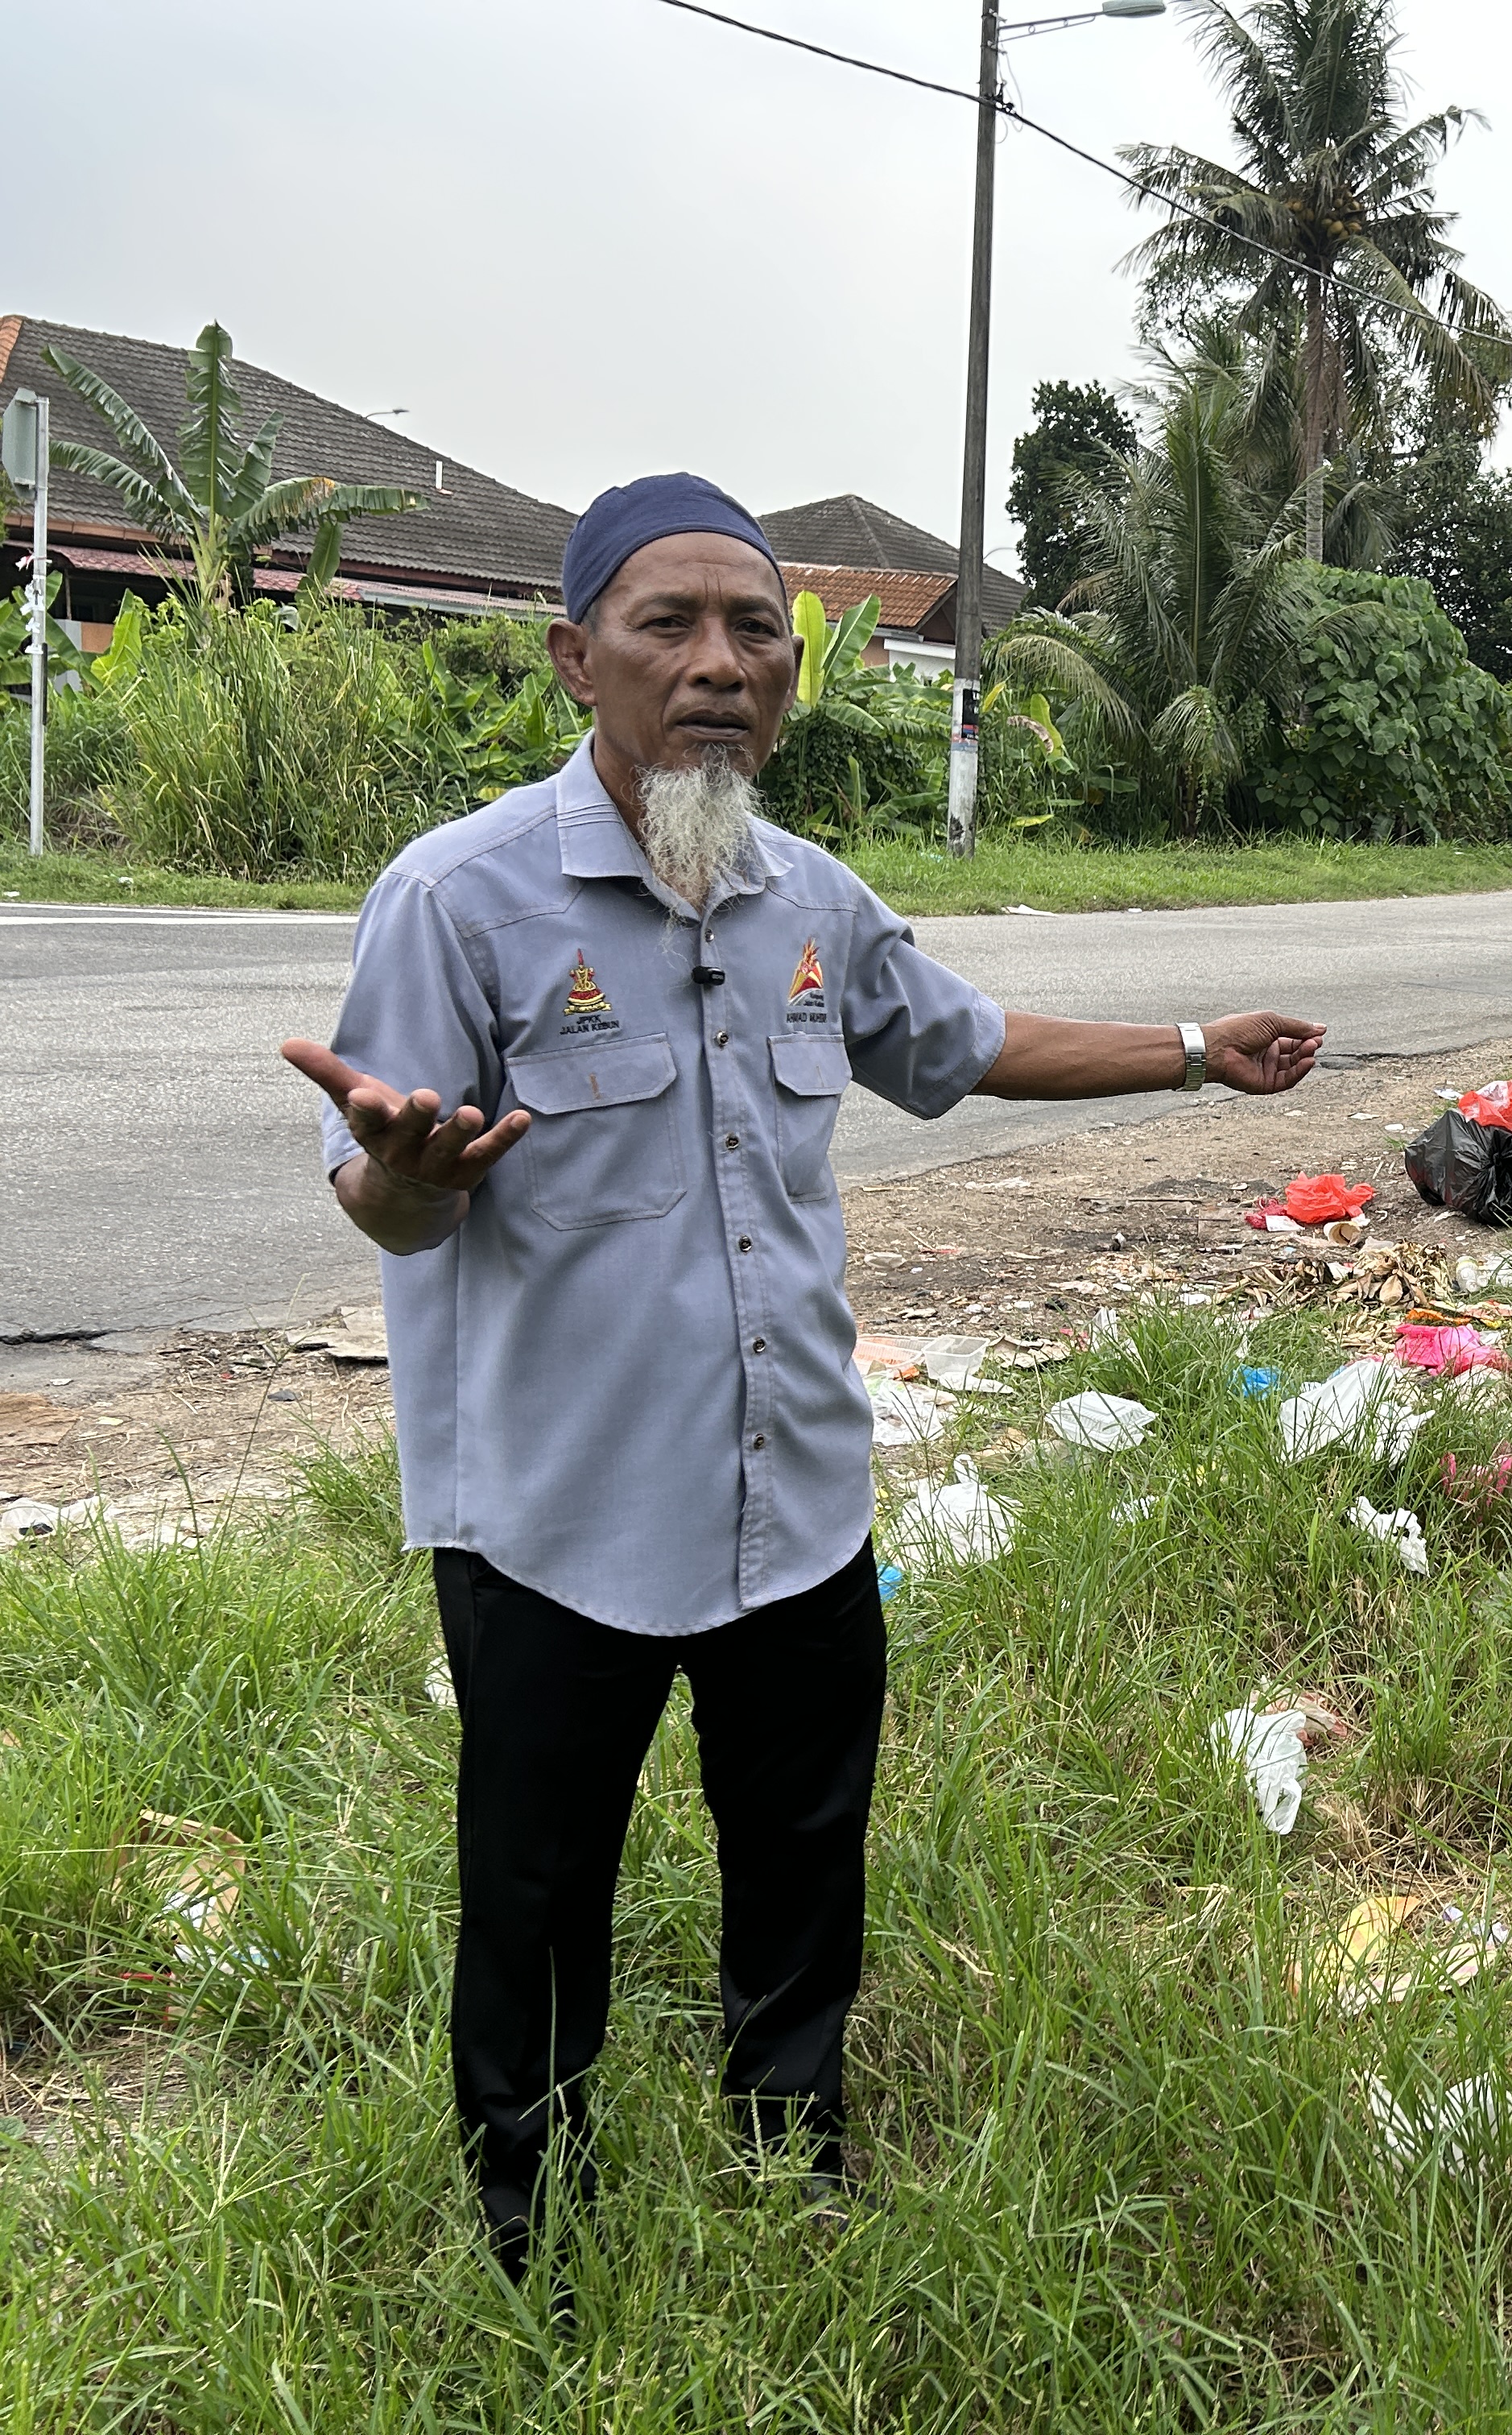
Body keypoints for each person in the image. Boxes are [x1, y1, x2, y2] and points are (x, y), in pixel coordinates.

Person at [279, 473, 1324, 2277]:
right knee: (535, 1894)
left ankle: (790, 2165)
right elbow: (388, 1196)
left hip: (797, 1503)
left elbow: (966, 1045)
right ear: (572, 660)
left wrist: (1187, 1050)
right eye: (665, 625)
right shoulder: (458, 904)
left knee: (803, 1860)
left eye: (755, 630)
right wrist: (407, 1177)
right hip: (555, 1519)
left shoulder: (812, 900)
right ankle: (540, 2226)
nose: (716, 663)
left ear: (793, 677)